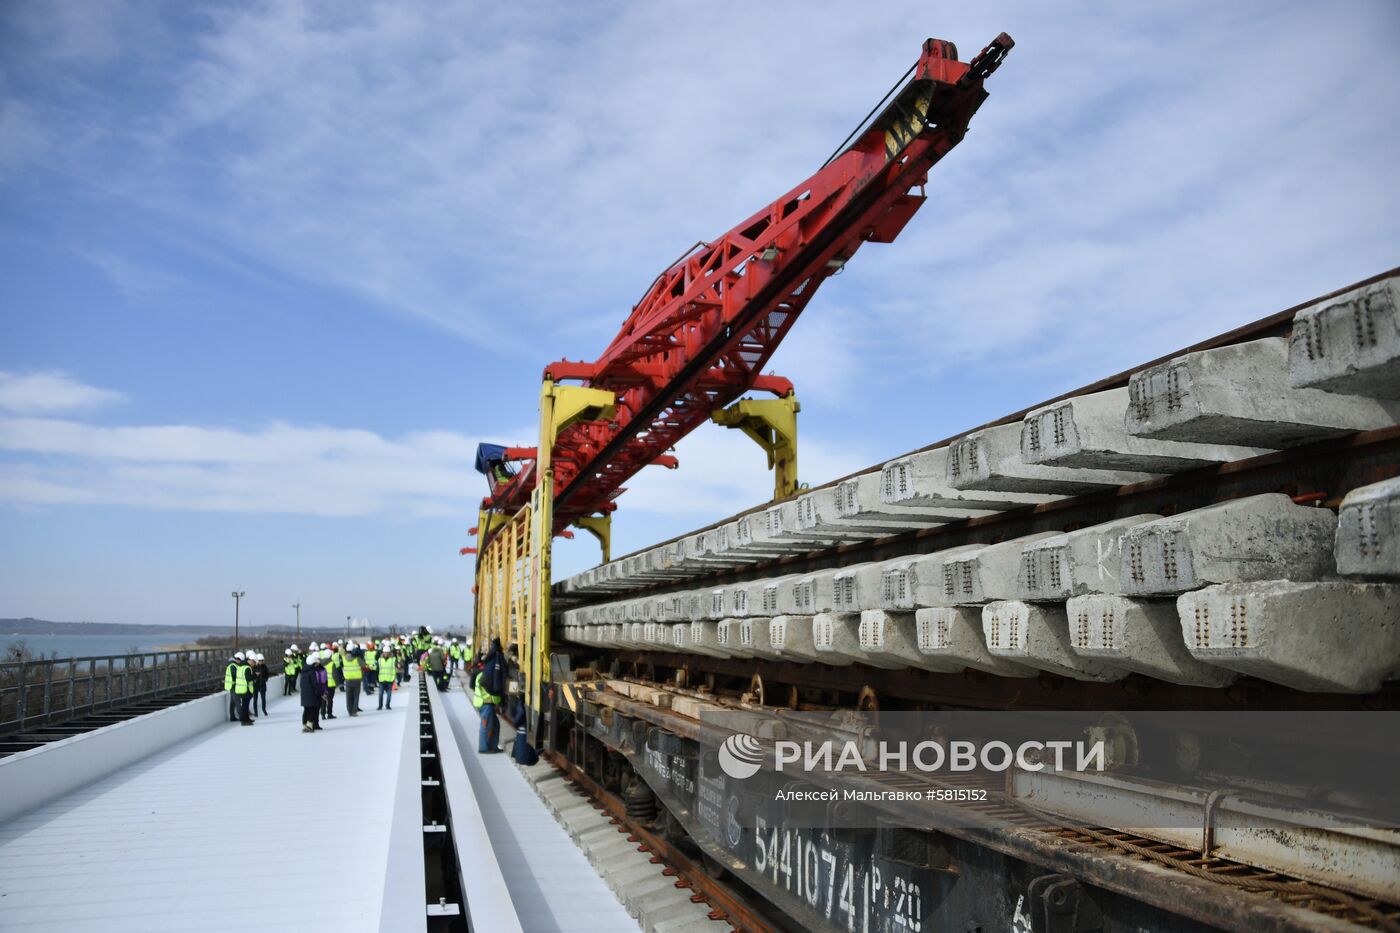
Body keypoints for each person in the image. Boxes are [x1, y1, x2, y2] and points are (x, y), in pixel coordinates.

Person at [474, 638, 505, 752]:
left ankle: (493, 746)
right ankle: (483, 748)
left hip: (488, 704)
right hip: (485, 704)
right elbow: (490, 688)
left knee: (495, 725)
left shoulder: (484, 673)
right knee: (485, 726)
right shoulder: (483, 676)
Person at [300, 654, 325, 733]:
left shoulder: (303, 671)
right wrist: (321, 692)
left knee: (306, 710)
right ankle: (309, 725)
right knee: (312, 710)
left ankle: (304, 725)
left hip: (304, 694)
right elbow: (315, 684)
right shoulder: (312, 672)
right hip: (311, 694)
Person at [341, 642, 364, 716]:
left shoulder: (344, 658)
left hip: (348, 679)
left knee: (348, 696)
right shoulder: (357, 658)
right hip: (357, 679)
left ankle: (349, 711)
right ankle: (354, 711)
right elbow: (363, 665)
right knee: (356, 696)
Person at [234, 652, 254, 726]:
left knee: (244, 705)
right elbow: (248, 679)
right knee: (245, 706)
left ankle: (246, 719)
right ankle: (244, 720)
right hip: (245, 689)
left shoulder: (240, 666)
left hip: (240, 689)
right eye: (253, 662)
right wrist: (254, 676)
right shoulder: (247, 668)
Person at [375, 643, 398, 710]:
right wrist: (376, 678)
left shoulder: (393, 659)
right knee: (380, 693)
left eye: (387, 652)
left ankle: (387, 705)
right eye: (385, 652)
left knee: (389, 694)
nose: (386, 654)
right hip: (382, 679)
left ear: (389, 652)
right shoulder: (379, 660)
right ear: (383, 652)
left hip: (390, 679)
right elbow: (377, 669)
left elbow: (396, 667)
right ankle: (380, 706)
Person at [224, 651, 243, 722]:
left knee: (233, 702)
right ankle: (242, 716)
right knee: (237, 701)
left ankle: (232, 717)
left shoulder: (232, 664)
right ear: (238, 659)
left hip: (231, 686)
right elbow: (235, 676)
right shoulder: (233, 666)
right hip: (234, 686)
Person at [321, 649, 339, 721]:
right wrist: (337, 683)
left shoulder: (321, 663)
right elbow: (335, 675)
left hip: (323, 684)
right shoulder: (332, 664)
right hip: (331, 684)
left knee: (323, 699)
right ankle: (329, 714)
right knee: (330, 699)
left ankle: (322, 714)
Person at [252, 652, 270, 717]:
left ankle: (264, 710)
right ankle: (255, 712)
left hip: (262, 685)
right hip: (255, 685)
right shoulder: (253, 667)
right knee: (255, 699)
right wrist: (255, 676)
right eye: (260, 661)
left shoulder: (264, 667)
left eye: (262, 661)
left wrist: (265, 679)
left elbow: (267, 674)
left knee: (263, 699)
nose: (261, 662)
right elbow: (251, 675)